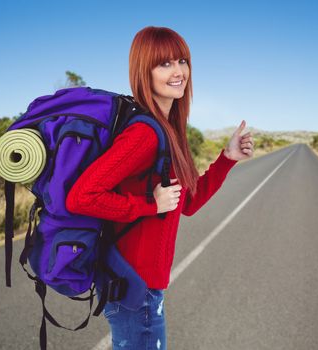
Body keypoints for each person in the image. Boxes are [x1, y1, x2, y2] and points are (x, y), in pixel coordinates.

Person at [65, 26, 254, 350]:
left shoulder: (169, 132)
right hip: (134, 287)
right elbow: (81, 197)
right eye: (164, 64)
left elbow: (188, 202)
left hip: (145, 287)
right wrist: (148, 205)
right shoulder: (145, 135)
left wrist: (226, 159)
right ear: (144, 70)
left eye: (182, 60)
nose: (179, 71)